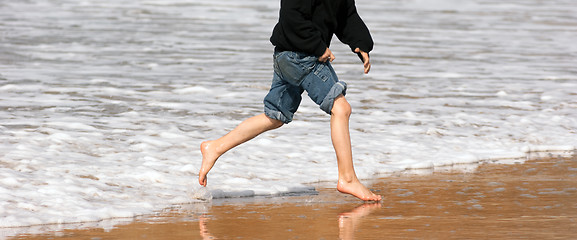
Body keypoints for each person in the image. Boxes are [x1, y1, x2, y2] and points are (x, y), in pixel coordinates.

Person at [199, 0, 381, 201]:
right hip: (300, 55)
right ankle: (347, 178)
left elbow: (346, 15)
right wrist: (318, 47)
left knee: (275, 116)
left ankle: (215, 147)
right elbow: (291, 15)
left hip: (289, 55)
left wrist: (361, 43)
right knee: (341, 108)